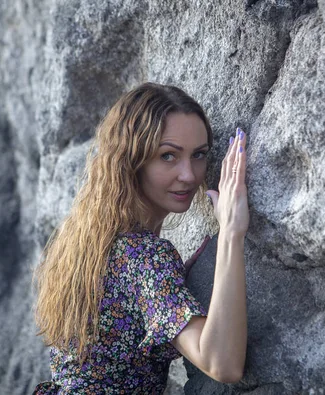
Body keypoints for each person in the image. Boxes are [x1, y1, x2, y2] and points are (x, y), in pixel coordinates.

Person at [33, 82, 248, 394]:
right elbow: (223, 363)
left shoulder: (86, 241)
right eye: (168, 156)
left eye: (199, 154)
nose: (188, 174)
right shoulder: (143, 254)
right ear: (131, 159)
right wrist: (231, 232)